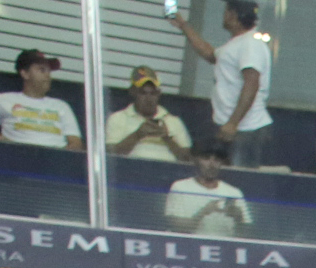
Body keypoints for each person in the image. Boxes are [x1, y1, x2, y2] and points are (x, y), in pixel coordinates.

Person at [174, 0, 271, 166]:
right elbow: (210, 54)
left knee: (239, 176)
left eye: (226, 11)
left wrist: (233, 123)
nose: (223, 15)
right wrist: (183, 25)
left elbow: (251, 84)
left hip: (246, 128)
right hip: (230, 127)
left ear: (233, 15)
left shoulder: (250, 44)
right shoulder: (236, 44)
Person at [0, 46, 81, 149]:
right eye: (42, 70)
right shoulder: (3, 100)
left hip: (53, 162)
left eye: (49, 71)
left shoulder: (62, 106)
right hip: (16, 159)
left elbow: (76, 143)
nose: (48, 75)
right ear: (25, 73)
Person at [104, 65, 194, 163]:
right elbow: (110, 155)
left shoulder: (174, 121)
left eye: (153, 93)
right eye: (143, 93)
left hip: (167, 171)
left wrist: (167, 138)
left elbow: (188, 160)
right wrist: (138, 135)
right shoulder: (117, 118)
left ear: (158, 94)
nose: (148, 99)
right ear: (132, 92)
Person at [164, 144, 252, 240]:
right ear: (195, 160)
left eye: (216, 160)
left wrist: (239, 219)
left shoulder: (234, 193)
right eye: (206, 158)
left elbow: (249, 235)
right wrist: (203, 212)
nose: (212, 165)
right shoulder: (180, 187)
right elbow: (175, 227)